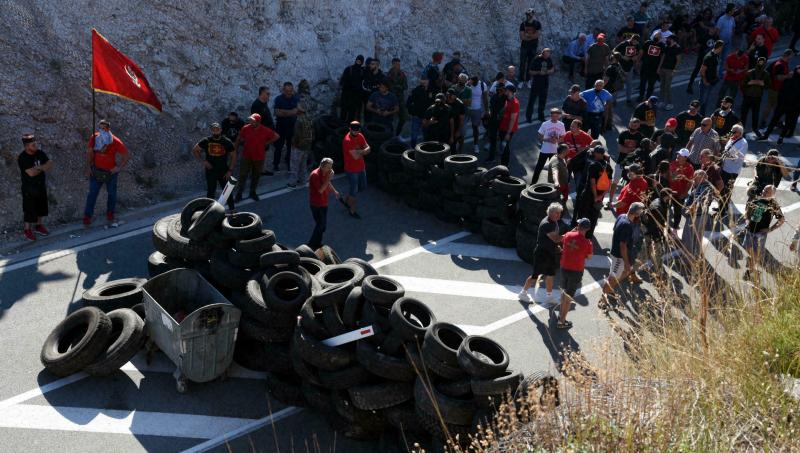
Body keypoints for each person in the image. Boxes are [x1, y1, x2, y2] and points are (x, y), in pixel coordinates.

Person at [83, 120, 130, 227]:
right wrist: (88, 167)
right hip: (96, 171)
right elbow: (90, 152)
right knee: (92, 194)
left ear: (108, 129)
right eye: (100, 128)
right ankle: (87, 217)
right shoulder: (95, 138)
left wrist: (118, 168)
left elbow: (126, 155)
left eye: (104, 128)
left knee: (112, 194)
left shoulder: (115, 141)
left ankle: (110, 214)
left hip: (110, 173)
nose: (101, 130)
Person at [518, 202, 567, 304]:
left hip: (549, 252)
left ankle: (549, 296)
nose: (559, 215)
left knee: (550, 274)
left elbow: (553, 239)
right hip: (542, 254)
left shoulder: (553, 221)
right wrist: (569, 235)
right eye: (557, 213)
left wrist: (556, 247)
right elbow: (556, 238)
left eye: (559, 213)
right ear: (551, 212)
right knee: (535, 276)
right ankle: (523, 293)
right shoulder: (547, 224)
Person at [601, 202, 646, 304]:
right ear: (637, 213)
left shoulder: (621, 216)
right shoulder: (628, 226)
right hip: (619, 256)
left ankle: (609, 289)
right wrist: (626, 262)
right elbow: (623, 246)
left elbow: (615, 231)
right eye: (641, 211)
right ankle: (603, 299)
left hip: (616, 253)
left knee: (622, 274)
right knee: (612, 278)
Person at [556, 218, 594, 329]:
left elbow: (562, 241)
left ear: (578, 225)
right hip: (576, 270)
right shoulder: (588, 243)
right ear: (588, 229)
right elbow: (590, 257)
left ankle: (560, 314)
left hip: (564, 267)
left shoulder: (568, 235)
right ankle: (562, 321)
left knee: (563, 292)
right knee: (569, 297)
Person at [234, 113, 279, 202]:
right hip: (246, 156)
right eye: (250, 120)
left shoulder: (265, 130)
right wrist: (235, 148)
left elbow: (276, 136)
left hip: (259, 156)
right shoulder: (245, 128)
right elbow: (239, 137)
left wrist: (266, 143)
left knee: (256, 175)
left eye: (252, 120)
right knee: (243, 175)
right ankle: (239, 193)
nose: (250, 122)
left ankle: (252, 192)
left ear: (258, 122)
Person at [742, 185, 783, 277]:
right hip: (749, 230)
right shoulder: (757, 200)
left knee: (756, 253)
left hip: (760, 234)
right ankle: (752, 261)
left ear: (773, 194)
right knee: (746, 247)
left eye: (767, 192)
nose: (764, 192)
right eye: (764, 190)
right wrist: (747, 220)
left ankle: (751, 270)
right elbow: (747, 213)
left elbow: (782, 220)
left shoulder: (773, 205)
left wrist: (770, 229)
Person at [192, 123, 236, 209]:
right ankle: (209, 213)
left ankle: (232, 210)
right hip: (211, 171)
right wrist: (203, 161)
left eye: (217, 130)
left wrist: (230, 170)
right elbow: (195, 150)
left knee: (227, 192)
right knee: (211, 192)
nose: (215, 132)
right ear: (211, 131)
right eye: (213, 130)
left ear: (221, 130)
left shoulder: (226, 141)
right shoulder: (206, 141)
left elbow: (234, 156)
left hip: (223, 171)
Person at [572, 146, 613, 237]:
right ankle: (589, 235)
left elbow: (592, 183)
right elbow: (609, 184)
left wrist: (595, 196)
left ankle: (580, 234)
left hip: (588, 194)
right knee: (594, 215)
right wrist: (600, 196)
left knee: (583, 214)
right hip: (600, 196)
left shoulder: (593, 165)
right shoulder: (609, 167)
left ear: (597, 154)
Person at [18, 134, 52, 241]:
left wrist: (39, 168)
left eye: (35, 144)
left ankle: (38, 226)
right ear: (27, 146)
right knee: (29, 209)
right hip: (29, 188)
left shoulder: (39, 153)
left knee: (41, 207)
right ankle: (27, 230)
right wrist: (42, 168)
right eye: (33, 145)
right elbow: (31, 173)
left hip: (40, 185)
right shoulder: (22, 157)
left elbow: (50, 164)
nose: (35, 146)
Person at [757, 65, 800, 144]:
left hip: (792, 107)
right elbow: (781, 92)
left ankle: (780, 137)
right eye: (798, 69)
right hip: (783, 105)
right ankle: (766, 135)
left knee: (786, 123)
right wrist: (780, 103)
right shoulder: (788, 80)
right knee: (774, 120)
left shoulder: (789, 80)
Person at [608, 118, 644, 207]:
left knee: (630, 184)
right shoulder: (623, 134)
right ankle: (610, 201)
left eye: (635, 125)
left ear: (638, 126)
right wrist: (632, 150)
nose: (633, 126)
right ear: (629, 124)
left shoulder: (640, 136)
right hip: (621, 162)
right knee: (614, 182)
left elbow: (638, 151)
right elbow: (620, 149)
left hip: (632, 165)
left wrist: (627, 150)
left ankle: (625, 202)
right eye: (631, 124)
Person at [307, 158, 340, 250]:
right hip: (316, 204)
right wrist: (329, 178)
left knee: (322, 226)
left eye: (331, 167)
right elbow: (321, 190)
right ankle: (311, 245)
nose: (330, 169)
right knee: (320, 225)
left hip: (324, 203)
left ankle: (317, 243)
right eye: (328, 167)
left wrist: (334, 191)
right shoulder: (315, 175)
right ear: (322, 166)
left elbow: (327, 183)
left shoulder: (325, 172)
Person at [341, 121, 370, 219]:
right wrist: (364, 151)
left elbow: (368, 148)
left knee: (363, 186)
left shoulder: (360, 135)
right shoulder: (347, 140)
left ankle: (346, 199)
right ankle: (352, 210)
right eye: (354, 131)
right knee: (354, 191)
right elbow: (356, 156)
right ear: (350, 129)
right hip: (351, 170)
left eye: (357, 131)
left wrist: (360, 151)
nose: (356, 133)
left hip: (361, 167)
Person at [760, 49, 793, 130]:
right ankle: (765, 122)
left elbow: (768, 71)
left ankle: (772, 121)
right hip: (776, 89)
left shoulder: (778, 62)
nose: (792, 57)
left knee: (775, 106)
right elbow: (779, 77)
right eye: (791, 55)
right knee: (774, 106)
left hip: (774, 88)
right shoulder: (780, 65)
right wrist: (788, 76)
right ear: (788, 56)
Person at [687, 9, 719, 93]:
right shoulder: (704, 36)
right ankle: (690, 85)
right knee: (697, 70)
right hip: (703, 55)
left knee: (710, 70)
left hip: (710, 56)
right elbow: (699, 43)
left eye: (713, 29)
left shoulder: (715, 37)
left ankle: (706, 84)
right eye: (711, 29)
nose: (712, 30)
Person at [272, 82, 301, 173]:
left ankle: (289, 164)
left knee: (290, 146)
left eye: (291, 91)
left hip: (292, 127)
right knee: (278, 146)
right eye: (287, 91)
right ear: (283, 90)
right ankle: (275, 165)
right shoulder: (278, 99)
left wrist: (284, 112)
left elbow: (297, 111)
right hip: (280, 126)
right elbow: (277, 112)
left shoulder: (296, 99)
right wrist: (291, 112)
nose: (289, 92)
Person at [642, 188, 676, 264]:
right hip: (651, 230)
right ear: (666, 196)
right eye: (671, 195)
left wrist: (669, 232)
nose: (672, 197)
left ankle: (650, 260)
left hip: (653, 228)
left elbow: (663, 220)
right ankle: (656, 265)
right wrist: (658, 238)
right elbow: (654, 225)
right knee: (656, 248)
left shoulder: (663, 202)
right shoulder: (657, 208)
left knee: (652, 247)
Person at [533, 108, 565, 183]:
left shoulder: (561, 125)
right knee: (538, 168)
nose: (554, 118)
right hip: (545, 149)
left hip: (555, 151)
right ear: (550, 116)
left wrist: (557, 140)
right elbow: (539, 136)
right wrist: (548, 140)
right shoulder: (545, 124)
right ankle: (533, 183)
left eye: (556, 116)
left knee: (554, 169)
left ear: (559, 116)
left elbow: (563, 137)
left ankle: (553, 185)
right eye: (552, 116)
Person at [719, 124, 747, 209]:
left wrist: (729, 153)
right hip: (724, 167)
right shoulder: (731, 139)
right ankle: (720, 206)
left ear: (739, 133)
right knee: (721, 189)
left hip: (732, 171)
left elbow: (737, 159)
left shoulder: (743, 143)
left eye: (733, 132)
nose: (731, 133)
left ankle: (723, 209)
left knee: (726, 191)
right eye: (731, 131)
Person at [739, 57, 770, 133]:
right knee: (744, 114)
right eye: (760, 62)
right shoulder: (750, 72)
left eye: (762, 63)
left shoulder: (766, 74)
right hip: (748, 96)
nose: (761, 64)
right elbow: (742, 84)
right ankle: (741, 129)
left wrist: (763, 84)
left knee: (755, 114)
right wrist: (749, 83)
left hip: (757, 97)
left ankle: (755, 128)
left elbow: (768, 86)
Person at [288, 104, 314, 188]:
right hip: (307, 145)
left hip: (299, 146)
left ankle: (292, 183)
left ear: (299, 111)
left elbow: (297, 135)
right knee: (303, 164)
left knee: (294, 165)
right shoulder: (308, 119)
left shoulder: (298, 121)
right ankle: (303, 180)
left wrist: (294, 145)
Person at [668, 148, 695, 228]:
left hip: (680, 194)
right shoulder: (672, 163)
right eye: (678, 154)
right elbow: (670, 178)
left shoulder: (689, 167)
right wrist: (674, 174)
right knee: (668, 208)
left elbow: (690, 181)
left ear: (685, 157)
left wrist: (684, 193)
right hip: (670, 191)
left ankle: (675, 228)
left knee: (677, 211)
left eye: (680, 155)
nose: (678, 156)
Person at [526, 48, 555, 123]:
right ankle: (528, 117)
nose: (547, 57)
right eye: (546, 55)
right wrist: (538, 72)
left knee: (543, 100)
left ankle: (540, 116)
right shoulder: (536, 59)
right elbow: (530, 71)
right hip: (536, 83)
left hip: (545, 83)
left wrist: (547, 71)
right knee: (532, 101)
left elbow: (552, 69)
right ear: (543, 54)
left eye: (548, 55)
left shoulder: (549, 59)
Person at [698, 40, 725, 115]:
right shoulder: (709, 57)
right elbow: (702, 70)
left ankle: (701, 115)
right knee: (702, 101)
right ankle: (699, 116)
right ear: (720, 47)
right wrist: (705, 81)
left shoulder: (716, 55)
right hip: (706, 82)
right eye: (722, 48)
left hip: (711, 81)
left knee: (705, 101)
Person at [613, 34, 641, 105]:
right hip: (620, 67)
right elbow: (614, 51)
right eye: (635, 42)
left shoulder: (636, 45)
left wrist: (636, 57)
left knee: (629, 84)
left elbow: (637, 53)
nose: (636, 44)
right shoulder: (623, 44)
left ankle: (628, 100)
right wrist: (622, 57)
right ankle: (614, 101)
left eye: (637, 42)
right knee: (617, 84)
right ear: (632, 39)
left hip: (630, 67)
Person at [496, 85, 520, 166]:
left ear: (509, 91)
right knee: (503, 145)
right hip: (503, 126)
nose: (505, 91)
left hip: (508, 129)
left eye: (506, 90)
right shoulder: (508, 99)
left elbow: (513, 119)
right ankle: (503, 161)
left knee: (505, 146)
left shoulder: (515, 103)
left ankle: (505, 165)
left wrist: (508, 133)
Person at [638, 32, 664, 102]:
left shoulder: (662, 45)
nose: (657, 37)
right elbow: (641, 52)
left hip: (654, 68)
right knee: (642, 83)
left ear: (661, 38)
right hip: (645, 67)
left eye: (659, 36)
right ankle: (641, 96)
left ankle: (648, 98)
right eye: (656, 35)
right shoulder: (647, 43)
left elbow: (662, 57)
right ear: (653, 35)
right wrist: (638, 61)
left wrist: (659, 68)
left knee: (651, 85)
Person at [519, 8, 542, 88]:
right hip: (524, 47)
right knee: (522, 64)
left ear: (533, 15)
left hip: (533, 47)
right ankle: (521, 80)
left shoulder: (537, 24)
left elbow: (537, 35)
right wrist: (531, 37)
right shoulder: (523, 24)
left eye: (530, 14)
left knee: (530, 64)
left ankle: (528, 80)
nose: (528, 16)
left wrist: (528, 36)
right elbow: (522, 37)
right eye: (527, 14)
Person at [386, 57, 409, 136]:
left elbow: (406, 86)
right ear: (392, 64)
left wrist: (400, 87)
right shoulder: (389, 75)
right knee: (389, 118)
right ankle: (389, 133)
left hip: (400, 99)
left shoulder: (402, 74)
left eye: (399, 64)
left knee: (403, 118)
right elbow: (386, 87)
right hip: (390, 100)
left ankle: (397, 134)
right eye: (396, 64)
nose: (398, 66)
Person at [466, 75, 489, 153]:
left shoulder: (482, 85)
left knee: (475, 128)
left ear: (477, 81)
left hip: (477, 109)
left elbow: (485, 98)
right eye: (471, 82)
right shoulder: (468, 84)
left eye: (474, 83)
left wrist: (487, 111)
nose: (472, 84)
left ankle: (476, 145)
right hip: (467, 109)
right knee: (461, 126)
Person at [659, 35, 682, 110]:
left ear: (673, 40)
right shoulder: (667, 46)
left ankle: (670, 103)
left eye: (669, 39)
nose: (667, 40)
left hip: (670, 70)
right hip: (663, 68)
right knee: (662, 85)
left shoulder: (677, 48)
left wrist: (674, 70)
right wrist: (659, 67)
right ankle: (662, 101)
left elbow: (678, 60)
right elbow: (663, 56)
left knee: (667, 87)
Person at [407, 78, 433, 145]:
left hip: (426, 118)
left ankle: (425, 151)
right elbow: (408, 103)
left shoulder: (431, 90)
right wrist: (413, 112)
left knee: (426, 135)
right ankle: (412, 150)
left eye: (426, 80)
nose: (424, 82)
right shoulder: (416, 90)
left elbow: (433, 104)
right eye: (423, 80)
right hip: (417, 116)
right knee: (414, 135)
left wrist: (430, 116)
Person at [340, 55, 365, 122]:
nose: (358, 62)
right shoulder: (349, 69)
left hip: (355, 97)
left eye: (360, 61)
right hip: (346, 95)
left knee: (351, 115)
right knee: (343, 113)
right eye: (358, 60)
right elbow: (343, 81)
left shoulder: (362, 71)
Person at [485, 84, 507, 162]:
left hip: (503, 121)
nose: (499, 91)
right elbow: (491, 107)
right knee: (493, 139)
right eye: (498, 89)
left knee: (503, 138)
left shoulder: (507, 98)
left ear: (504, 90)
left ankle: (502, 152)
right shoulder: (494, 97)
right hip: (494, 120)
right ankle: (491, 157)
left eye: (500, 90)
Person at [715, 4, 737, 74]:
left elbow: (733, 28)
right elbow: (717, 30)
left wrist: (731, 36)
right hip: (721, 41)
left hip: (728, 41)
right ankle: (712, 73)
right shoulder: (722, 19)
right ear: (730, 11)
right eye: (733, 10)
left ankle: (720, 73)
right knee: (716, 58)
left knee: (725, 58)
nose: (734, 11)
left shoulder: (732, 19)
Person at [445, 87, 466, 153]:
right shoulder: (444, 101)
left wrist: (458, 131)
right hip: (445, 126)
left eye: (450, 96)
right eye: (448, 96)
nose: (449, 98)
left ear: (454, 96)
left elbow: (462, 119)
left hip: (456, 126)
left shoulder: (460, 104)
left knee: (453, 145)